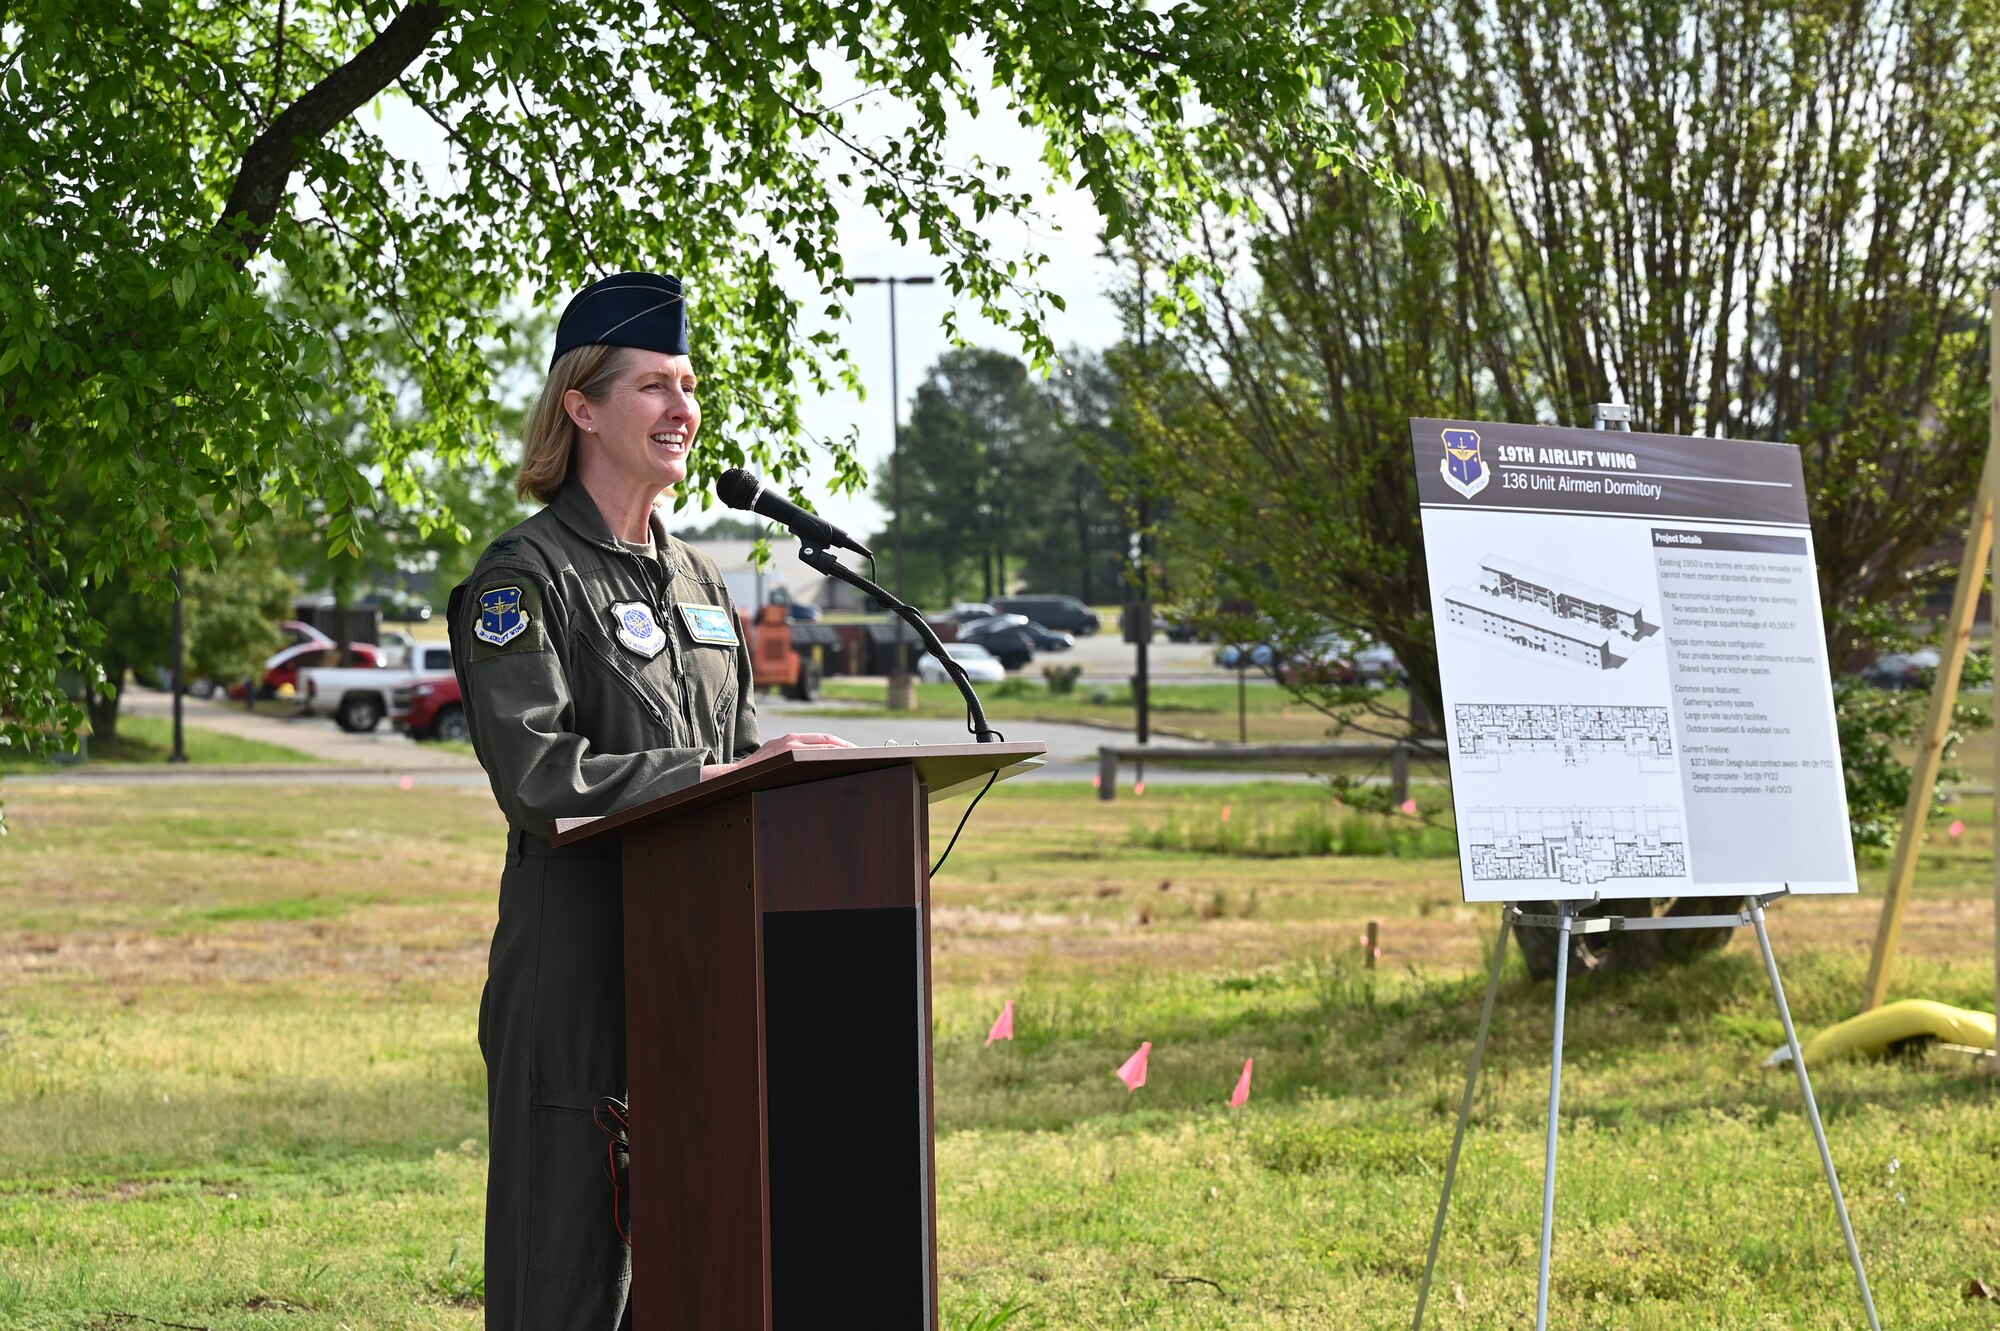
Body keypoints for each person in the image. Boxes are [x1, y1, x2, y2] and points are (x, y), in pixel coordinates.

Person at [447, 271, 850, 1329]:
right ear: (580, 405)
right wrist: (703, 778)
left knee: (704, 1266)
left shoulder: (703, 585)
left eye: (689, 384)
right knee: (568, 1277)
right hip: (579, 977)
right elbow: (539, 773)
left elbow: (746, 755)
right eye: (652, 388)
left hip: (704, 973)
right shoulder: (519, 580)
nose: (683, 409)